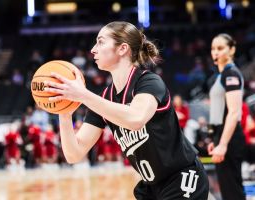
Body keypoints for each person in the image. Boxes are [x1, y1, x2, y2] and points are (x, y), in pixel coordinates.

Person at [44, 21, 209, 199]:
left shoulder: (149, 82)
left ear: (122, 48)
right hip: (151, 188)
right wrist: (64, 112)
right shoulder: (104, 99)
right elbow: (73, 154)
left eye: (100, 42)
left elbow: (135, 119)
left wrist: (83, 95)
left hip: (182, 177)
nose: (93, 49)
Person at [207, 33, 246, 200]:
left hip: (229, 137)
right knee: (227, 188)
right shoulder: (221, 75)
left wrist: (222, 144)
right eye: (213, 48)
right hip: (220, 134)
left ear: (232, 50)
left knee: (232, 189)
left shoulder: (231, 74)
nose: (215, 52)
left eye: (220, 48)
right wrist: (213, 139)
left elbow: (234, 112)